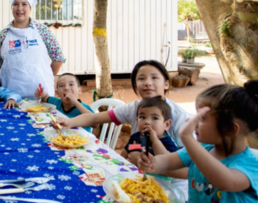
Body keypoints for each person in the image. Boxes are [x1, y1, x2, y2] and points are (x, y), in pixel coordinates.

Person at [138, 80, 258, 203]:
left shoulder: (252, 167)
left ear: (229, 129)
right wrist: (153, 163)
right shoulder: (203, 148)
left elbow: (226, 181)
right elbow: (170, 161)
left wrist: (187, 138)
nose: (193, 121)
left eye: (202, 118)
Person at [54, 60, 190, 148]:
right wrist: (69, 122)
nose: (148, 82)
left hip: (171, 186)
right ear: (136, 85)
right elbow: (95, 118)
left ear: (166, 84)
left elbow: (187, 166)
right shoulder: (134, 108)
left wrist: (157, 164)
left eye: (154, 77)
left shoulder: (180, 117)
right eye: (141, 78)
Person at [0, 0, 65, 99]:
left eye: (24, 4)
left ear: (30, 7)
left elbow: (58, 57)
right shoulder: (3, 34)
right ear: (11, 7)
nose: (19, 8)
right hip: (10, 98)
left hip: (41, 96)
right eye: (15, 4)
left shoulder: (43, 30)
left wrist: (46, 76)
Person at [121, 96, 178, 165]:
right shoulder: (136, 137)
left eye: (154, 118)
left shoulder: (167, 142)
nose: (147, 122)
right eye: (142, 117)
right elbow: (123, 155)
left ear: (166, 125)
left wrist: (154, 141)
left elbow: (170, 163)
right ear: (137, 120)